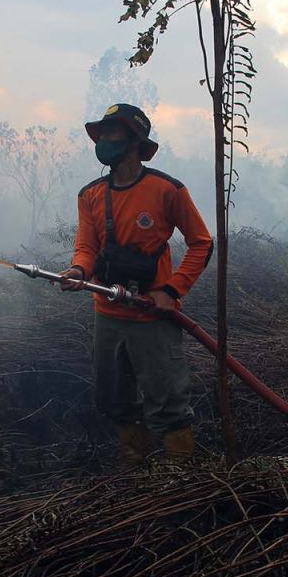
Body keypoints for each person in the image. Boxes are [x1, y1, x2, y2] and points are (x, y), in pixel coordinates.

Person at [60, 103, 213, 464]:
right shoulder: (90, 195)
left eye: (112, 133)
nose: (104, 141)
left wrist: (171, 291)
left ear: (133, 140)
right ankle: (138, 476)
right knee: (116, 400)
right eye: (103, 133)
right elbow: (86, 247)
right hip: (108, 316)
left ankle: (182, 480)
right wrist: (79, 271)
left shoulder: (167, 190)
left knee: (168, 402)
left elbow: (202, 243)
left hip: (152, 318)